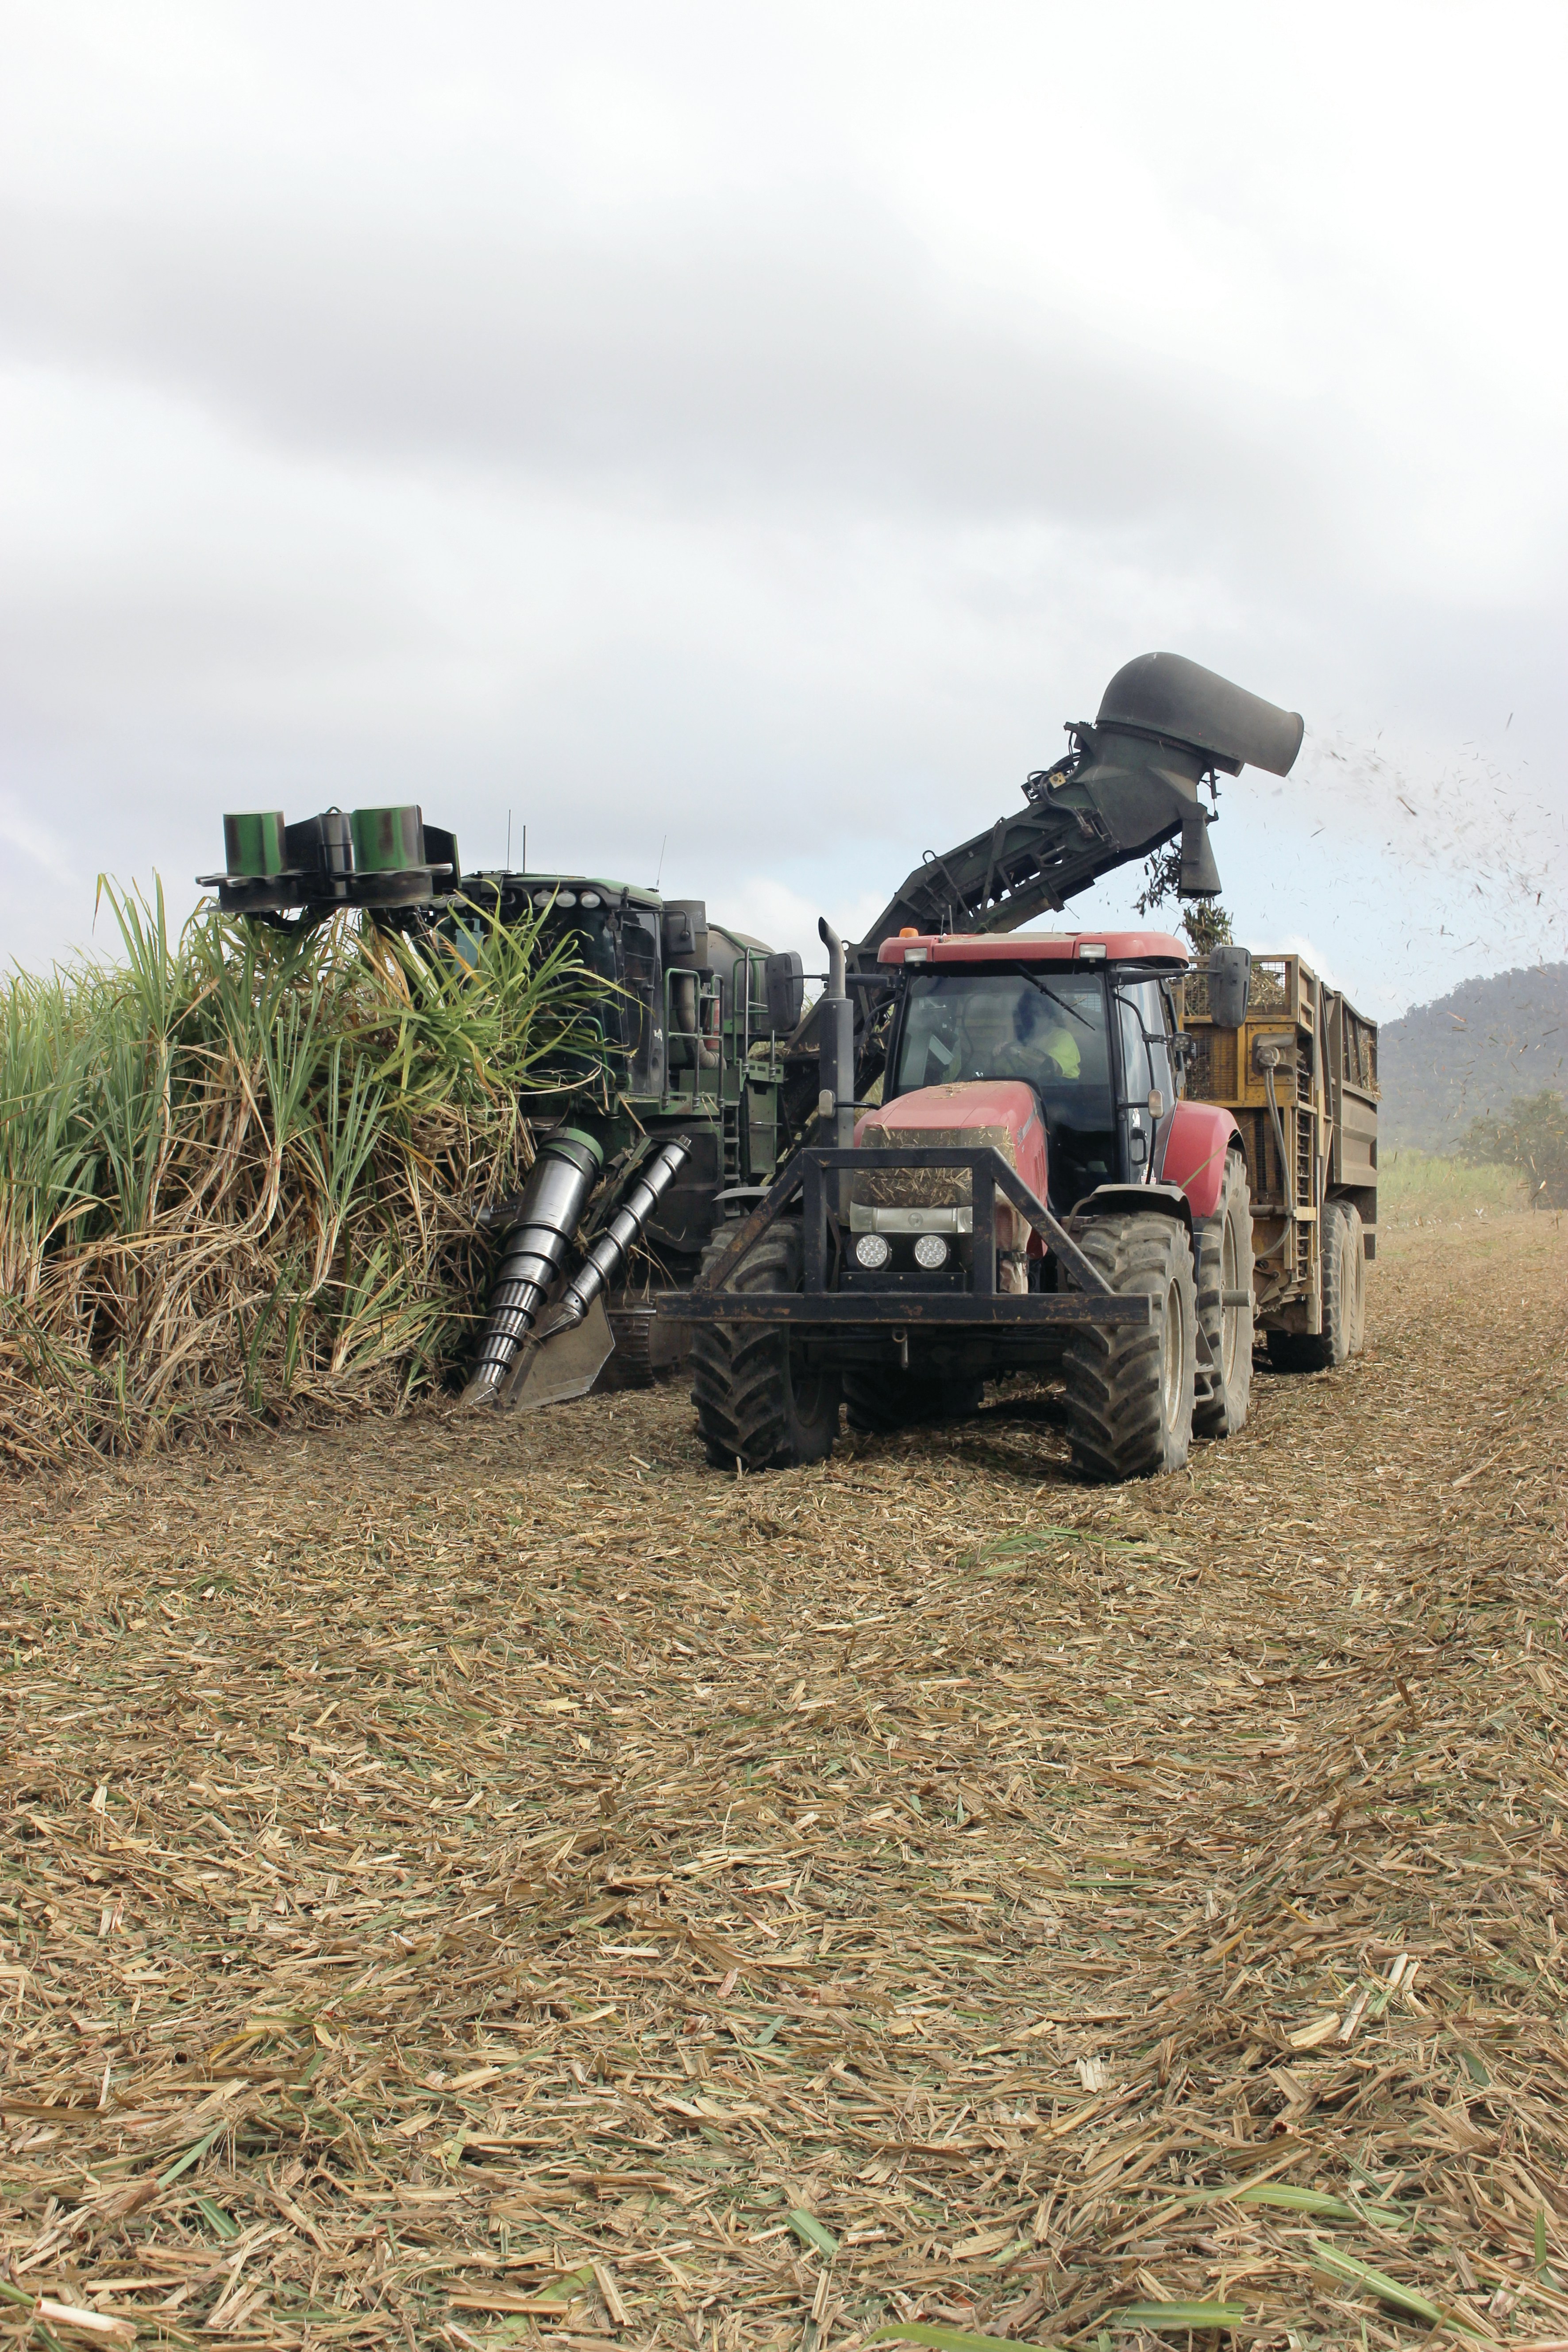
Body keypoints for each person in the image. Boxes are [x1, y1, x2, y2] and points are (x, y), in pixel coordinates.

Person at [952, 988, 1081, 1085]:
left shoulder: (1062, 1038)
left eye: (1037, 1014)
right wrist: (995, 1055)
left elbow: (1048, 1067)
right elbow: (997, 1074)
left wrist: (1017, 1053)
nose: (1032, 1019)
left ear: (1049, 1015)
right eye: (1027, 1015)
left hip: (1061, 1097)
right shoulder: (1020, 1042)